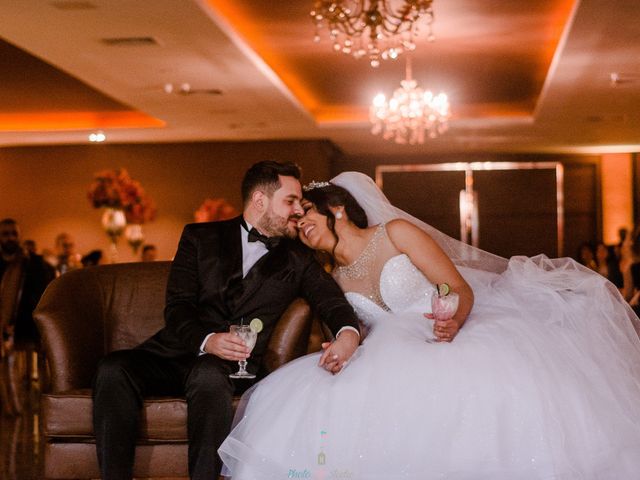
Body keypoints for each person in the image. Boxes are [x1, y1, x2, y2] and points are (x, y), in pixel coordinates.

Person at [219, 172, 640, 479]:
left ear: (338, 209)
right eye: (295, 224)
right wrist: (341, 347)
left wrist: (453, 321)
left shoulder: (395, 233)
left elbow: (456, 287)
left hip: (445, 334)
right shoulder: (330, 278)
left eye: (306, 212)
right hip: (384, 355)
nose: (301, 225)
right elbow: (350, 332)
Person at [92, 161, 360, 480]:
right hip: (173, 353)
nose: (297, 212)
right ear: (260, 200)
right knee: (112, 368)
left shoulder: (298, 257)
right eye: (289, 201)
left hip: (234, 366)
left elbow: (332, 301)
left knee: (208, 377)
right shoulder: (199, 236)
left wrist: (347, 335)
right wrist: (208, 340)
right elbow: (177, 307)